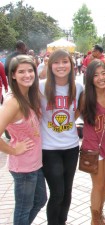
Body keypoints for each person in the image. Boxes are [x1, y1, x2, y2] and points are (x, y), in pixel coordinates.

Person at [0, 55, 47, 225]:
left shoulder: (29, 96)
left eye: (30, 70)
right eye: (21, 72)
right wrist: (13, 150)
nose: (27, 75)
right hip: (23, 167)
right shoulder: (13, 102)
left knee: (40, 200)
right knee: (23, 208)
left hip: (35, 163)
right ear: (13, 75)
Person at [39, 49, 83, 225]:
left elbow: (78, 112)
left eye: (65, 62)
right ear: (50, 65)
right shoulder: (40, 86)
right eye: (56, 62)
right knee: (57, 193)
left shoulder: (77, 87)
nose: (61, 66)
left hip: (71, 147)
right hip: (49, 149)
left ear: (71, 65)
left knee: (67, 192)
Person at [80, 60, 105, 225]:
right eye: (96, 75)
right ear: (90, 78)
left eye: (103, 73)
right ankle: (95, 220)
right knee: (98, 185)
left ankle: (99, 212)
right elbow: (75, 118)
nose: (101, 78)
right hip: (93, 148)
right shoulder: (86, 97)